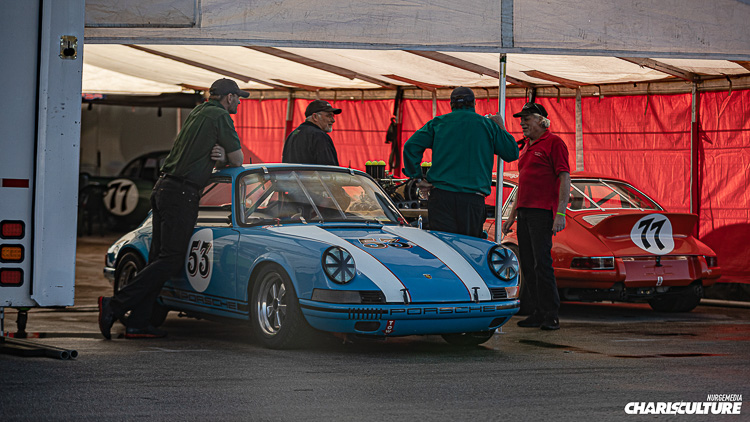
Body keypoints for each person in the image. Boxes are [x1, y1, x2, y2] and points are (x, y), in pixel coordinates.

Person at [98, 78, 246, 339]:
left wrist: (218, 155)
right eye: (238, 97)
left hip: (163, 188)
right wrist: (224, 156)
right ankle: (116, 305)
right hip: (182, 194)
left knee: (157, 260)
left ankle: (139, 324)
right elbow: (238, 159)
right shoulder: (220, 116)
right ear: (230, 97)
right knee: (171, 259)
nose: (238, 102)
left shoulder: (198, 111)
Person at [402, 87, 519, 237]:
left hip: (442, 197)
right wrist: (500, 126)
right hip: (472, 199)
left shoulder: (438, 123)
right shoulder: (487, 126)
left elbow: (411, 146)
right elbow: (511, 153)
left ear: (451, 104)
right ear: (474, 104)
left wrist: (417, 178)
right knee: (470, 247)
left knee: (444, 248)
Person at [502, 102, 571, 331]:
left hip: (542, 212)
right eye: (521, 119)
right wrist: (512, 215)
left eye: (527, 119)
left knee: (542, 262)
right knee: (529, 263)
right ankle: (537, 311)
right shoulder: (528, 146)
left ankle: (551, 313)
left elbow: (564, 178)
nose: (522, 123)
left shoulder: (554, 143)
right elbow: (523, 183)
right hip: (524, 211)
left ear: (541, 120)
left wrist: (560, 213)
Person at [282, 100, 342, 165]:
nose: (333, 120)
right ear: (315, 117)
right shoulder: (319, 136)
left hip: (293, 175)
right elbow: (329, 169)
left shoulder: (293, 134)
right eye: (329, 116)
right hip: (311, 175)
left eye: (333, 116)